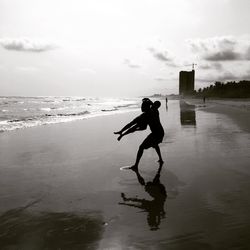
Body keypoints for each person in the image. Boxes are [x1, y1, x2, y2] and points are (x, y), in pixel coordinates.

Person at [115, 99, 164, 170]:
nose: (141, 107)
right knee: (155, 144)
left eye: (142, 106)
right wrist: (122, 132)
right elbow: (135, 125)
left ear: (146, 107)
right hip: (160, 133)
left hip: (156, 134)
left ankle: (136, 166)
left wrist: (123, 134)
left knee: (141, 147)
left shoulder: (145, 116)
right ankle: (161, 159)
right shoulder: (155, 111)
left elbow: (132, 126)